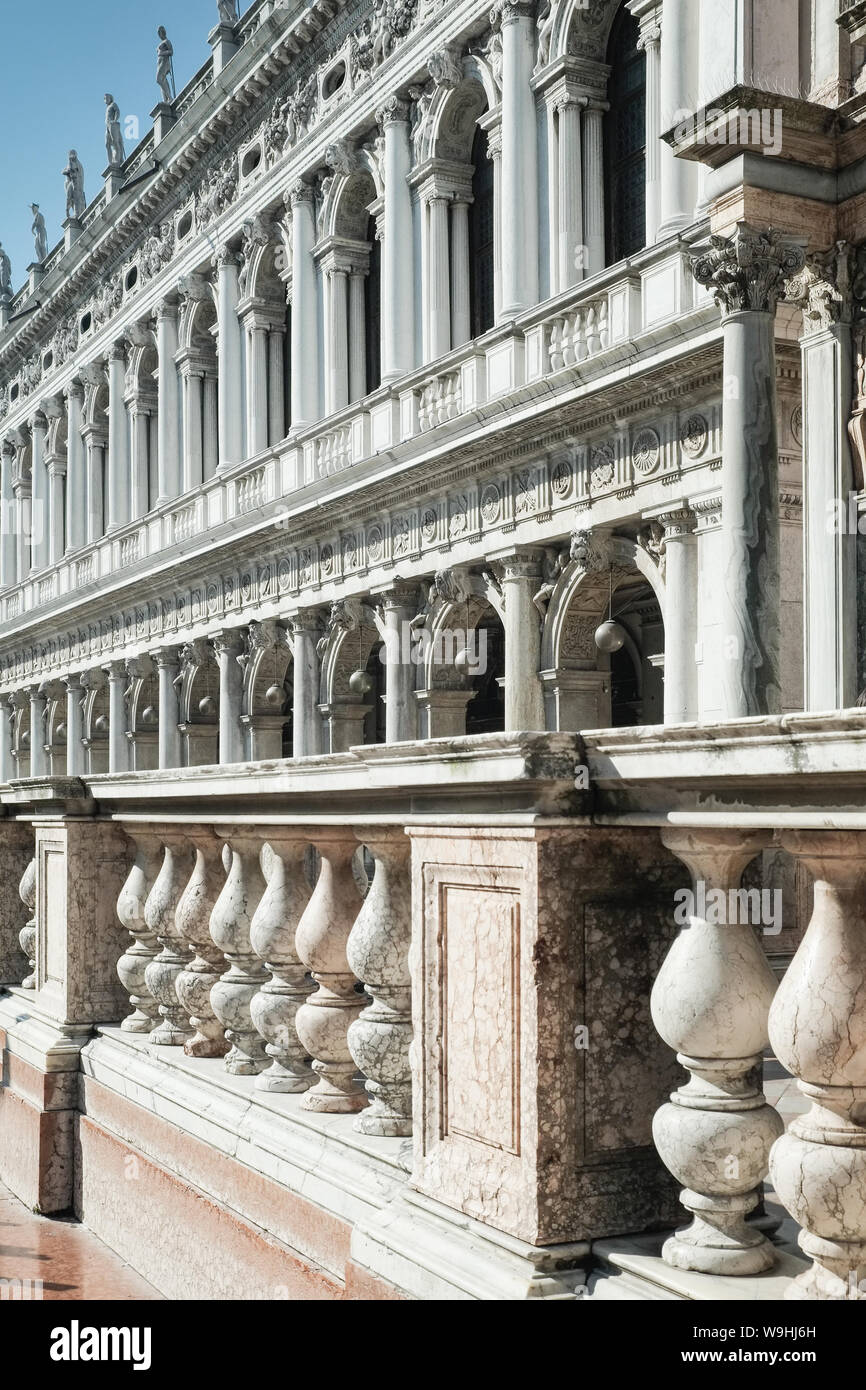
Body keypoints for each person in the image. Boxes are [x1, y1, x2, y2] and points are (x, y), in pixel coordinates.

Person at [64, 151, 86, 220]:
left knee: (76, 198)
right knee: (69, 197)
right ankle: (67, 211)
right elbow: (64, 171)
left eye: (73, 155)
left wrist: (71, 170)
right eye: (70, 155)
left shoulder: (78, 164)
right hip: (71, 183)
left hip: (76, 183)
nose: (71, 157)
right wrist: (68, 170)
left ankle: (77, 213)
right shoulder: (70, 163)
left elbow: (77, 172)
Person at [105, 94, 126, 167]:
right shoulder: (107, 107)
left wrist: (115, 120)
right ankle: (111, 161)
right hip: (107, 126)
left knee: (115, 142)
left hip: (112, 124)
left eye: (107, 98)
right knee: (107, 144)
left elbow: (117, 111)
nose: (105, 99)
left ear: (110, 98)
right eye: (104, 98)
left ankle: (118, 160)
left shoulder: (113, 104)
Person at [156, 27, 175, 104]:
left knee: (158, 79)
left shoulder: (167, 41)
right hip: (160, 63)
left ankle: (170, 97)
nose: (159, 35)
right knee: (162, 80)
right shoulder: (163, 42)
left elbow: (171, 52)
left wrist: (162, 53)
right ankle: (165, 99)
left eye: (160, 33)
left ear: (163, 32)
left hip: (164, 62)